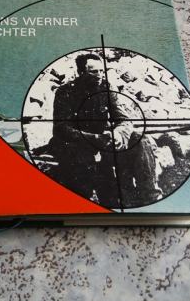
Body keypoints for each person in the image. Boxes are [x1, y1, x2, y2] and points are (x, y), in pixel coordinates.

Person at [39, 52, 162, 209]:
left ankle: (150, 196)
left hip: (102, 141)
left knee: (139, 138)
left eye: (101, 71)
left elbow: (123, 119)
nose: (99, 75)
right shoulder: (66, 91)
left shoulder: (106, 87)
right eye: (93, 72)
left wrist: (119, 134)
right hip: (75, 144)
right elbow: (61, 129)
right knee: (96, 187)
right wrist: (95, 138)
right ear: (80, 72)